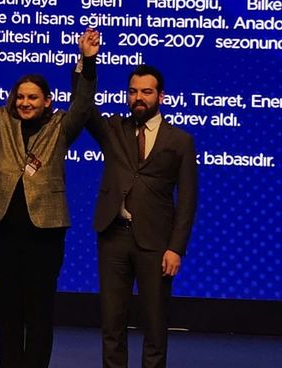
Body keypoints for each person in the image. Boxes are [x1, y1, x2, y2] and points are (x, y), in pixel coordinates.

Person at [0, 13, 98, 368]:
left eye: (33, 97)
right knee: (9, 307)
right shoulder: (1, 121)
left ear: (47, 101)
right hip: (3, 227)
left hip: (45, 231)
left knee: (39, 308)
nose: (25, 102)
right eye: (20, 97)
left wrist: (87, 61)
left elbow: (83, 104)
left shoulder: (61, 126)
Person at [82, 48, 198, 368]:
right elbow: (84, 107)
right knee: (112, 322)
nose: (138, 98)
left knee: (155, 323)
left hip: (156, 243)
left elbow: (188, 199)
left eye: (146, 92)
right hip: (113, 237)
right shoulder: (114, 129)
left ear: (161, 96)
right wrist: (87, 63)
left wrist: (176, 248)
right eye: (133, 92)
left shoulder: (180, 141)